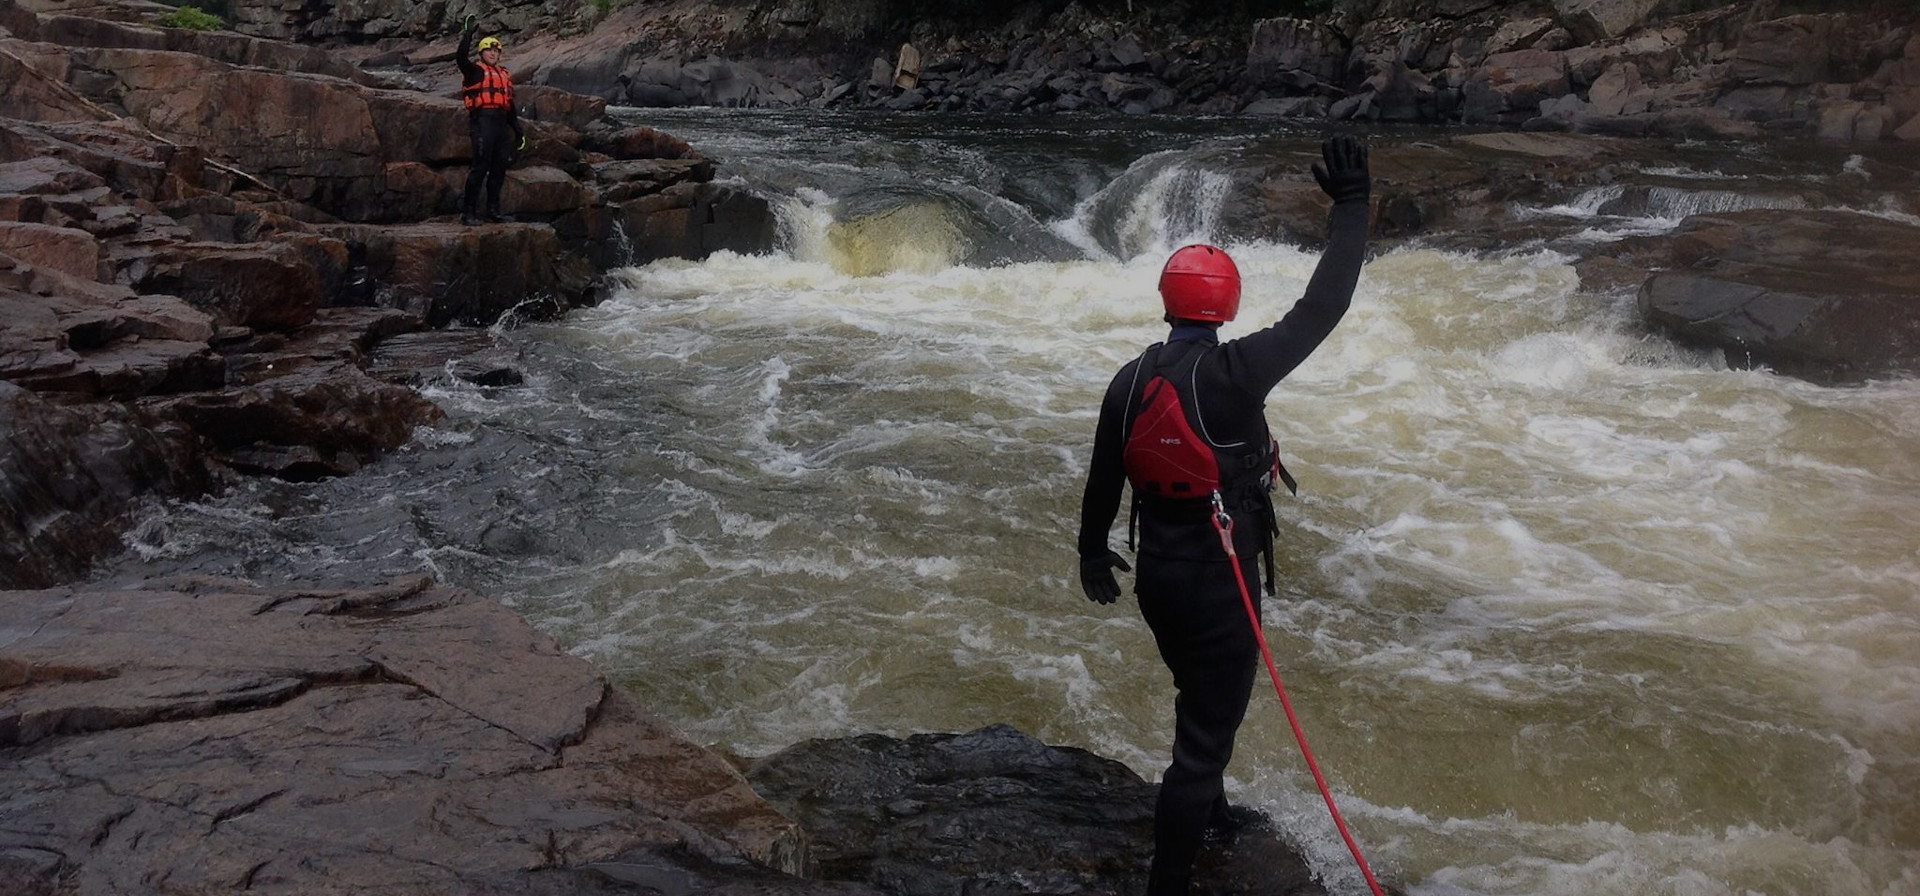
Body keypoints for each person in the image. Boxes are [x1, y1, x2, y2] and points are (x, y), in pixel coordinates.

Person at [1074, 135, 1370, 896]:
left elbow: (1104, 477)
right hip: (1219, 582)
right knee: (1205, 736)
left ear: (1170, 301)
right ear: (1227, 304)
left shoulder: (1129, 376)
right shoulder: (1239, 373)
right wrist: (1353, 208)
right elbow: (1324, 305)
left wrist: (1089, 554)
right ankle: (1170, 878)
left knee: (1201, 700)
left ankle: (1213, 815)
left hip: (1159, 580)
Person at [455, 17, 523, 226]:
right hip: (482, 122)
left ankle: (493, 210)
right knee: (480, 167)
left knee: (499, 168)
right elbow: (460, 58)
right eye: (489, 50)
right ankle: (468, 213)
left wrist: (518, 132)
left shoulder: (504, 74)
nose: (493, 53)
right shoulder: (474, 71)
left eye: (496, 51)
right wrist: (467, 34)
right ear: (482, 53)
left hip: (501, 124)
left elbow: (510, 106)